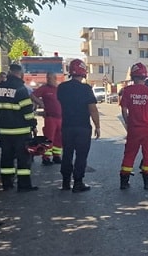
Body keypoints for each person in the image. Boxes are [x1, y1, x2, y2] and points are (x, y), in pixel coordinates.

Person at [0, 64, 38, 192]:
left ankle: (7, 183)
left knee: (6, 157)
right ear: (20, 73)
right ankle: (23, 185)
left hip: (4, 130)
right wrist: (33, 125)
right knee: (23, 159)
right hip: (21, 131)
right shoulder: (21, 89)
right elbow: (28, 112)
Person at [57, 59, 101, 192]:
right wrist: (97, 126)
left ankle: (65, 182)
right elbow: (92, 108)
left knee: (67, 154)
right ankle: (78, 183)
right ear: (83, 73)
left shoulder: (62, 88)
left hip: (66, 126)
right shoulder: (86, 89)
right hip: (82, 127)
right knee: (81, 156)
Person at [119, 63, 148, 190]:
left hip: (133, 129)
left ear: (133, 76)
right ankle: (147, 183)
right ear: (145, 76)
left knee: (129, 154)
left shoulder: (127, 91)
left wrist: (128, 123)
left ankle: (124, 182)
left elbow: (124, 111)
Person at [32, 72, 63, 166]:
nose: (49, 79)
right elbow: (32, 95)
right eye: (47, 78)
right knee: (49, 138)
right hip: (50, 117)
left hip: (60, 118)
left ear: (55, 78)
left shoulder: (59, 89)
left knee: (59, 138)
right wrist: (41, 103)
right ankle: (46, 158)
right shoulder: (44, 88)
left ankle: (56, 156)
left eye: (50, 78)